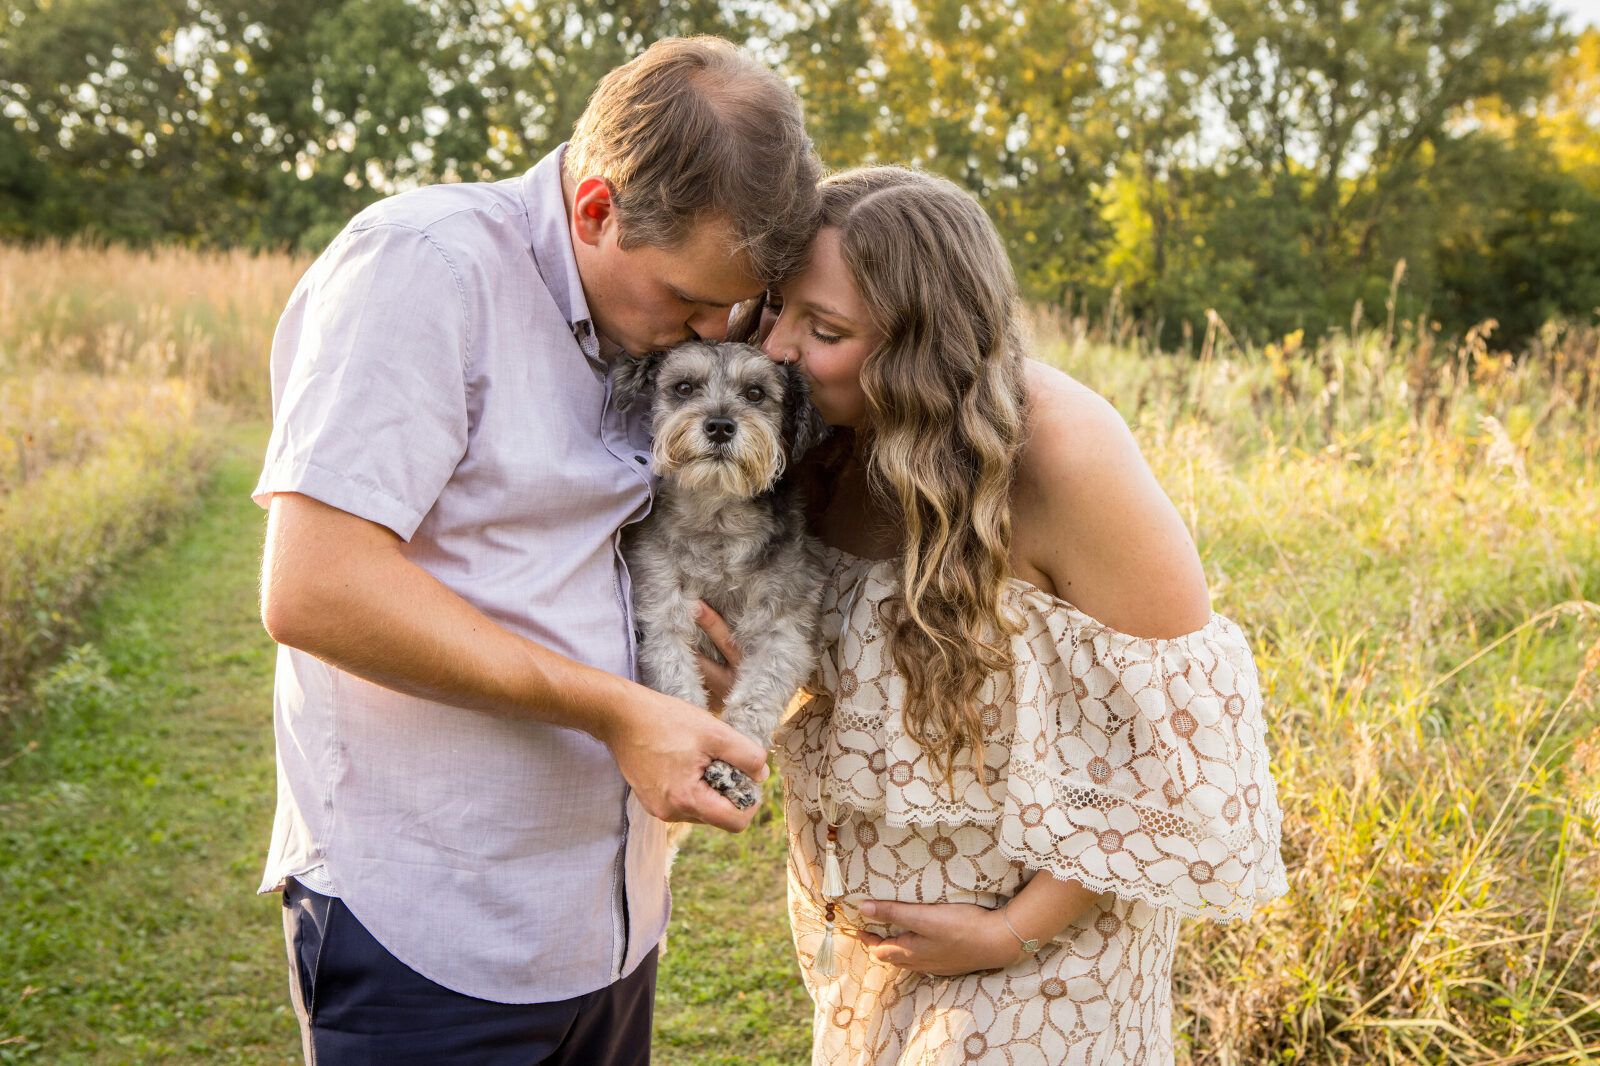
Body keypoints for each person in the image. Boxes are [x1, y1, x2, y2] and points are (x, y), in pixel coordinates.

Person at [252, 37, 820, 1065]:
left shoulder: (646, 314)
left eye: (733, 305)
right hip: (431, 926)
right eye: (689, 301)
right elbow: (315, 585)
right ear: (596, 209)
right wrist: (611, 706)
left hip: (607, 920)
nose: (710, 327)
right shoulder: (425, 268)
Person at [702, 167, 1288, 1064]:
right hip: (866, 955)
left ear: (920, 350)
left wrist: (1009, 931)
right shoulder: (817, 439)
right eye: (774, 308)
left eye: (824, 329)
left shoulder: (1062, 453)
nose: (775, 347)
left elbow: (1180, 750)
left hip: (1047, 960)